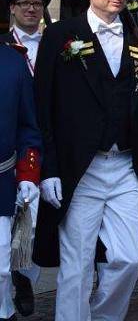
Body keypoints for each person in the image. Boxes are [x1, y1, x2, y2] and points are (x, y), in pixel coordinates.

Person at [33, 0, 138, 320]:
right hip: (80, 167)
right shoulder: (61, 35)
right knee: (77, 263)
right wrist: (48, 169)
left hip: (126, 164)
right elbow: (43, 104)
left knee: (130, 257)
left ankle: (103, 316)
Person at [0, 0, 50, 316]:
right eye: (25, 3)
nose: (31, 9)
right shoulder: (7, 50)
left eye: (37, 4)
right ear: (12, 9)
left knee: (37, 225)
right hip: (15, 144)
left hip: (47, 141)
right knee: (18, 226)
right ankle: (19, 279)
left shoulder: (57, 45)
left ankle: (25, 273)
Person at [0, 42, 41, 321]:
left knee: (1, 268)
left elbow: (28, 125)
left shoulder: (13, 62)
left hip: (1, 181)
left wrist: (28, 173)